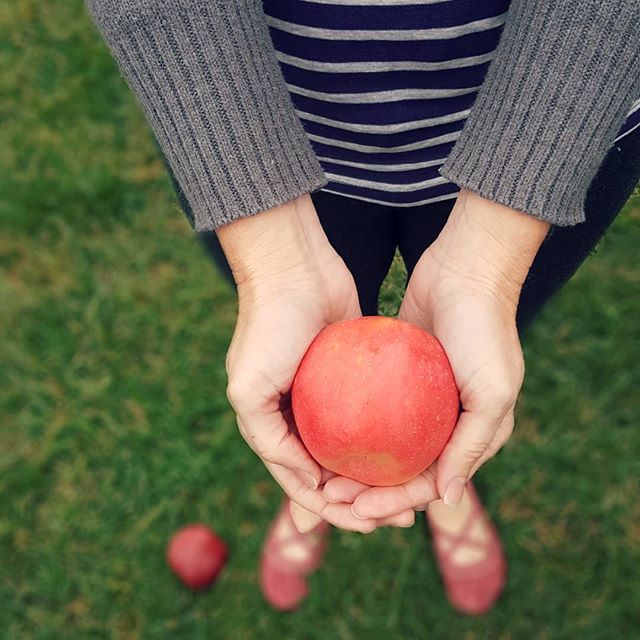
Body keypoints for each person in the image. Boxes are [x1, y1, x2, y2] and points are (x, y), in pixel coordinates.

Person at [86, 0, 640, 615]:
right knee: (300, 346)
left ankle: (448, 484)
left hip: (553, 122)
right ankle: (320, 459)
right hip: (254, 121)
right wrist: (272, 254)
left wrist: (490, 262)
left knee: (479, 341)